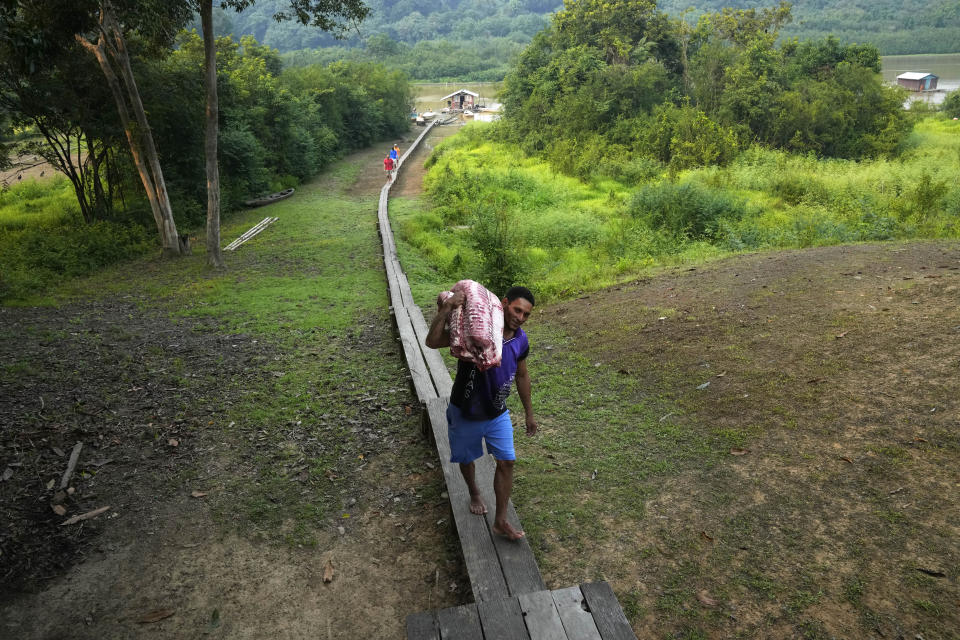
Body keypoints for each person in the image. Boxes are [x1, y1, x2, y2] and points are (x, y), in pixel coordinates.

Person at [425, 285, 538, 541]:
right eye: (517, 310)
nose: (520, 318)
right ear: (505, 303)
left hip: (498, 412)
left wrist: (529, 413)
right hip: (465, 410)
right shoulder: (477, 330)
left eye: (526, 315)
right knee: (467, 458)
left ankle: (500, 521)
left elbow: (522, 375)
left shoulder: (521, 340)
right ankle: (474, 491)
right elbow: (431, 342)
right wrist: (446, 309)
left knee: (507, 462)